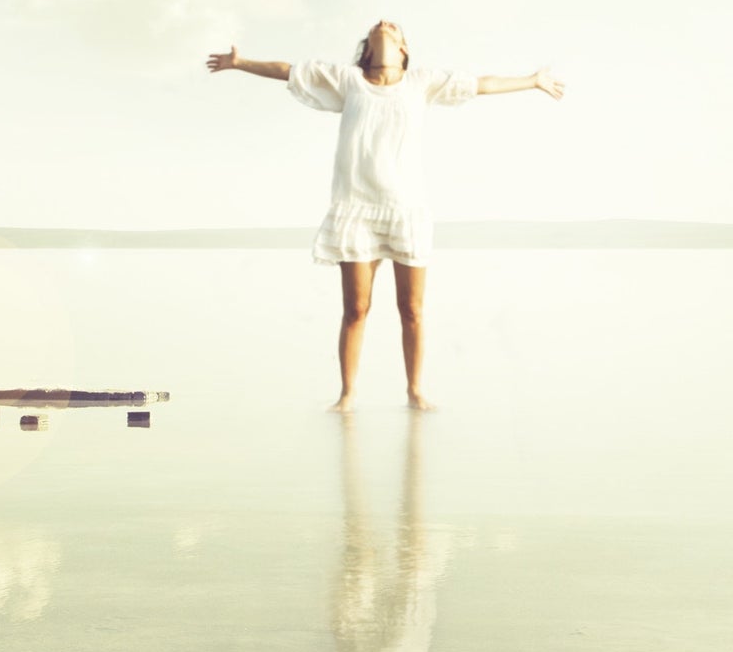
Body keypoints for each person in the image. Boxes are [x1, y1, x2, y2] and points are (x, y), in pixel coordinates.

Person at [205, 20, 565, 411]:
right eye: (380, 26)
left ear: (404, 48)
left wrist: (532, 80)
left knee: (411, 309)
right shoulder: (348, 80)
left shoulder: (422, 82)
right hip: (355, 209)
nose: (384, 24)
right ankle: (346, 395)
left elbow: (481, 83)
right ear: (370, 48)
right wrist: (240, 63)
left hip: (405, 209)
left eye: (393, 28)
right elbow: (289, 71)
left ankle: (414, 391)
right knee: (356, 308)